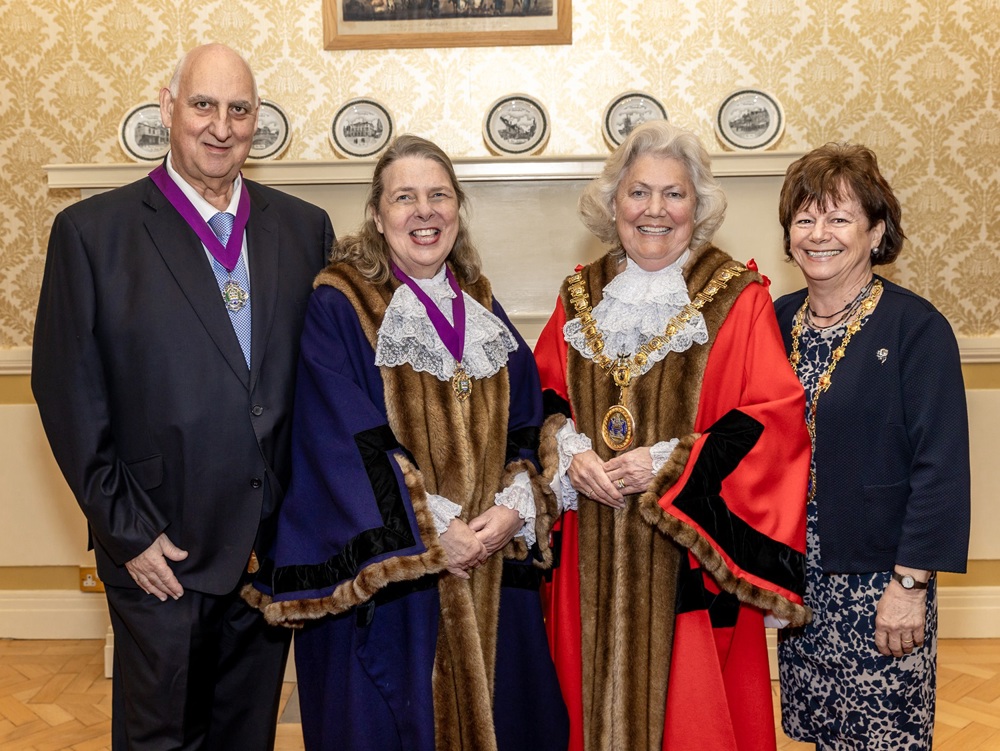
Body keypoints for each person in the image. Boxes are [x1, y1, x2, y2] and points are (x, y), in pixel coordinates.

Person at [31, 43, 334, 750]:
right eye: (203, 104)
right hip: (159, 551)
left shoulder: (303, 228)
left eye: (239, 109)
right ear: (168, 108)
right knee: (160, 738)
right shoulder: (91, 233)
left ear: (258, 120)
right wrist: (127, 534)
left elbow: (319, 386)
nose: (220, 126)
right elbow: (68, 394)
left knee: (245, 735)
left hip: (268, 550)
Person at [248, 134, 568, 751]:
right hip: (397, 581)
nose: (424, 212)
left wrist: (513, 507)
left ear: (457, 209)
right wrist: (432, 532)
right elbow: (341, 438)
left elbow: (532, 417)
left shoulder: (480, 302)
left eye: (439, 196)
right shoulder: (340, 303)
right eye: (404, 198)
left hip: (491, 569)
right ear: (376, 213)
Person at [532, 119, 812, 751]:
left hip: (688, 558)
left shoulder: (738, 297)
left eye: (674, 193)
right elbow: (543, 397)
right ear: (613, 204)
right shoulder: (580, 294)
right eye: (638, 192)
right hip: (590, 551)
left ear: (699, 207)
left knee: (692, 724)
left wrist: (672, 463)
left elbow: (770, 419)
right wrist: (568, 453)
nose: (655, 210)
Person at [774, 143, 971, 750]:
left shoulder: (917, 329)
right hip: (798, 582)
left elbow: (941, 467)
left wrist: (910, 588)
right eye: (804, 219)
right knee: (817, 734)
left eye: (838, 218)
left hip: (881, 584)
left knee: (883, 739)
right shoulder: (773, 320)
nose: (818, 234)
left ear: (876, 230)